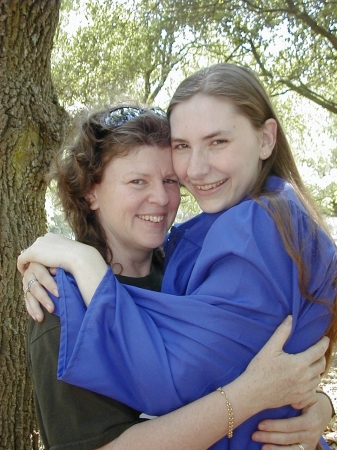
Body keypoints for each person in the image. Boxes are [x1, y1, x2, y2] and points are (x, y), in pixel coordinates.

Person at [18, 62, 337, 448]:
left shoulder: (194, 264)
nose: (163, 197)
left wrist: (319, 405)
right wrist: (252, 394)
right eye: (137, 181)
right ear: (90, 192)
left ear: (266, 140)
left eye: (170, 180)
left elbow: (282, 358)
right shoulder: (59, 300)